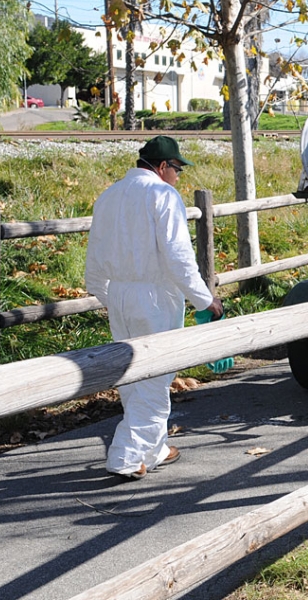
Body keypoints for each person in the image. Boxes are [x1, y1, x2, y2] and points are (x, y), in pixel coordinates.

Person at [85, 135, 223, 481]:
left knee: (131, 378)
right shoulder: (163, 195)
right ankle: (126, 456)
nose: (178, 176)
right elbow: (179, 258)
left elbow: (95, 256)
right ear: (162, 167)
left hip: (118, 294)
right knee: (156, 380)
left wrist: (106, 295)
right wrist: (205, 300)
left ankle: (154, 448)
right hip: (155, 296)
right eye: (176, 169)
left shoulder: (109, 196)